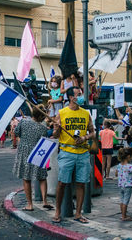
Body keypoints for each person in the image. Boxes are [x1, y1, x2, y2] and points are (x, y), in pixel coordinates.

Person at [52, 86, 96, 224]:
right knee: (62, 183)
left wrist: (84, 138)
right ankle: (58, 211)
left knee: (81, 183)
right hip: (66, 152)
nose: (81, 96)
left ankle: (78, 213)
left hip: (83, 153)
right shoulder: (61, 113)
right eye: (78, 94)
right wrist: (57, 129)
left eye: (81, 93)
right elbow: (55, 134)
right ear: (71, 97)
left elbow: (93, 132)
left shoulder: (85, 113)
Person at [12, 105, 53, 211]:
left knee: (26, 178)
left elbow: (16, 133)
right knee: (42, 177)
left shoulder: (24, 122)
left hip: (24, 152)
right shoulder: (43, 128)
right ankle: (45, 201)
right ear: (41, 116)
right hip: (38, 152)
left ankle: (30, 204)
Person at [116, 147, 132, 221]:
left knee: (122, 200)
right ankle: (124, 216)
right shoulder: (130, 166)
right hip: (127, 186)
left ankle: (123, 214)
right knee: (126, 201)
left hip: (121, 185)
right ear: (128, 156)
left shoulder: (119, 165)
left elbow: (116, 174)